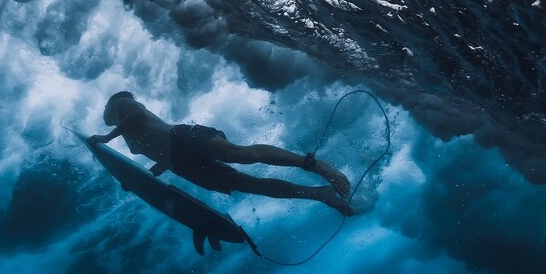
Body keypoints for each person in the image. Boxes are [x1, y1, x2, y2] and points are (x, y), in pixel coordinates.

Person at [88, 91, 354, 215]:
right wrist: (140, 178)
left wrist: (106, 137)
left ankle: (314, 165)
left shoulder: (122, 104)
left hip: (182, 138)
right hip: (181, 164)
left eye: (105, 113)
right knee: (250, 185)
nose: (104, 116)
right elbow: (159, 157)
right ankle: (318, 194)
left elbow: (135, 116)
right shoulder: (127, 136)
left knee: (242, 155)